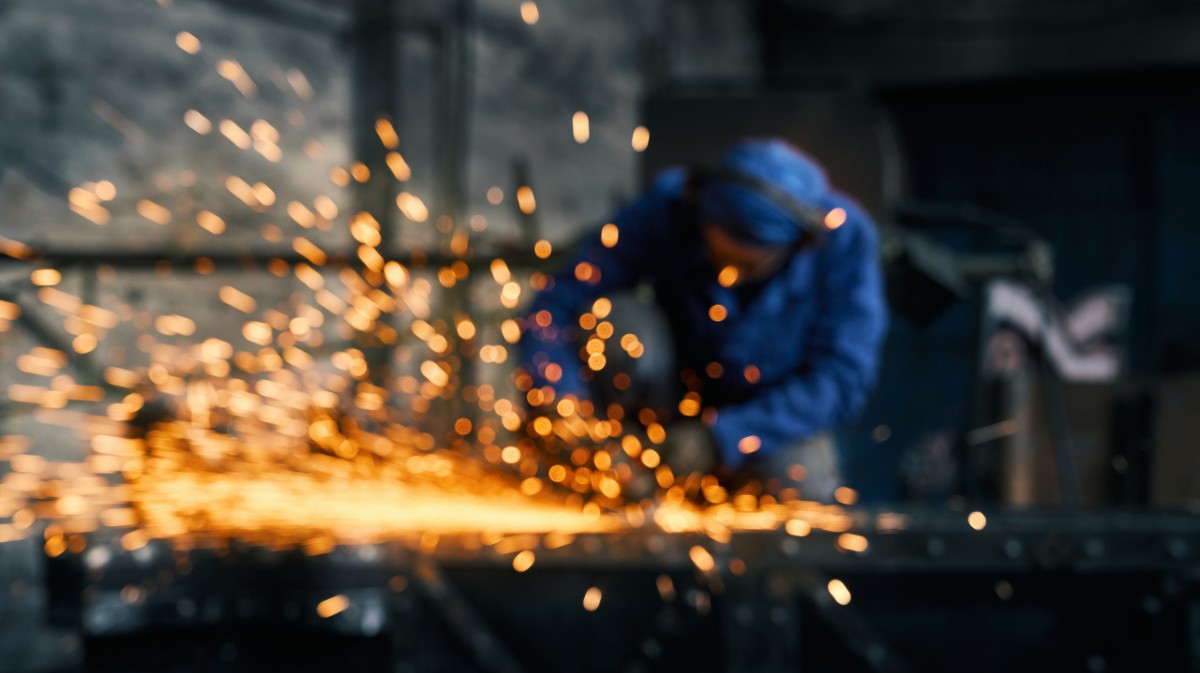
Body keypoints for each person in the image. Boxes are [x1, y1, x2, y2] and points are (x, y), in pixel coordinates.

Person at [520, 138, 887, 501]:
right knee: (613, 323)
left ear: (797, 245)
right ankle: (611, 479)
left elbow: (841, 379)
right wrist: (562, 406)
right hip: (666, 399)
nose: (731, 278)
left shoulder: (842, 240)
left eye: (749, 266)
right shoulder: (669, 207)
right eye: (720, 258)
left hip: (768, 418)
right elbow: (554, 306)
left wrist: (721, 437)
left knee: (801, 490)